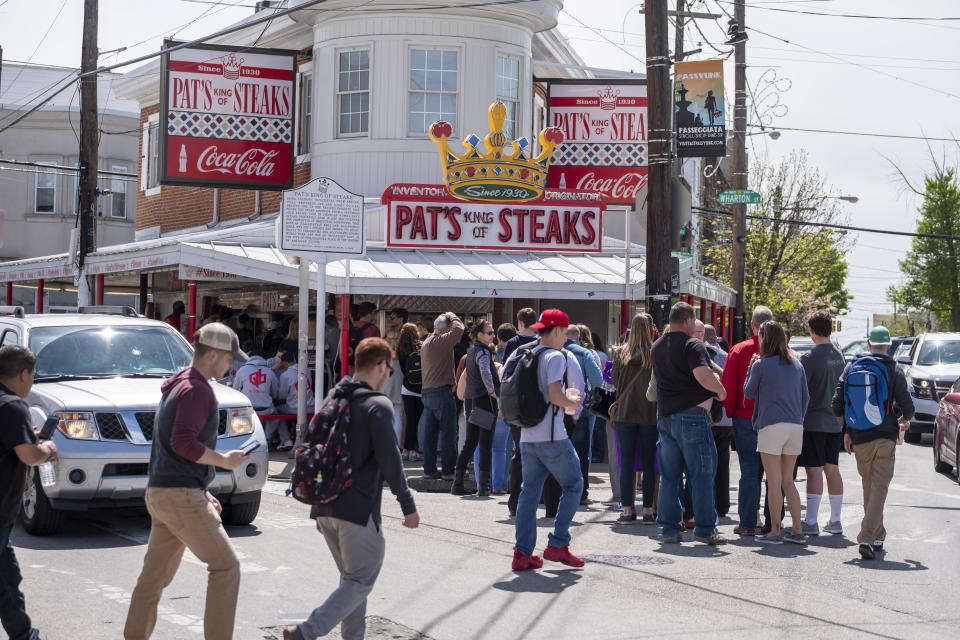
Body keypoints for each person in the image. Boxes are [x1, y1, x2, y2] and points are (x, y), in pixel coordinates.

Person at [283, 338, 419, 640]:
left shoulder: (335, 397)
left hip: (326, 506)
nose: (388, 377)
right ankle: (307, 631)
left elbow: (318, 448)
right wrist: (407, 505)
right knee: (359, 580)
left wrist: (319, 510)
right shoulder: (377, 404)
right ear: (382, 366)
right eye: (389, 371)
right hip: (357, 509)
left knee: (352, 582)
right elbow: (391, 460)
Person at [125, 323, 250, 640]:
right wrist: (222, 461)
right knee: (226, 567)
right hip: (179, 496)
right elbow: (182, 443)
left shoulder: (181, 381)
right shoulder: (196, 389)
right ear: (212, 354)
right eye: (229, 358)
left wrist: (201, 488)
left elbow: (172, 445)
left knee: (153, 578)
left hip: (164, 492)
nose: (231, 364)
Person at [507, 309, 586, 570]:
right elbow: (554, 395)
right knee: (574, 484)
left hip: (526, 436)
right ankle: (558, 543)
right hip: (552, 436)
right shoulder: (555, 357)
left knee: (529, 493)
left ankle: (522, 553)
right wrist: (572, 401)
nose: (564, 338)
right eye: (564, 333)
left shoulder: (522, 354)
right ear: (556, 331)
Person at [831, 326, 914, 560]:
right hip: (885, 435)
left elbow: (836, 403)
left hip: (859, 437)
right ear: (888, 345)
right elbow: (909, 406)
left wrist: (847, 430)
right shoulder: (893, 368)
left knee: (870, 486)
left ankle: (878, 534)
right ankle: (867, 538)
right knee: (879, 487)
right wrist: (904, 420)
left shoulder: (851, 366)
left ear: (868, 343)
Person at [650, 302, 727, 545]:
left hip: (665, 418)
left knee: (670, 477)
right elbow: (703, 375)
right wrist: (721, 392)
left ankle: (669, 529)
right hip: (692, 418)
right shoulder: (692, 344)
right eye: (693, 321)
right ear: (687, 321)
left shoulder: (657, 346)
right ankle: (705, 529)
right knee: (701, 475)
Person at [0, 346, 56, 640]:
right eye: (33, 375)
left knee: (7, 580)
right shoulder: (12, 405)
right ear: (23, 373)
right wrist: (46, 449)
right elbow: (30, 457)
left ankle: (23, 635)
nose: (32, 382)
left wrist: (25, 436)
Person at [743, 321, 810, 545]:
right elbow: (806, 398)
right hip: (795, 426)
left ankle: (775, 531)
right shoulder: (797, 364)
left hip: (771, 426)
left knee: (773, 482)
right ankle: (798, 530)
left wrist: (750, 368)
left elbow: (749, 393)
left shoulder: (761, 364)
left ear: (764, 338)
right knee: (788, 481)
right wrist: (797, 419)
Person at [721, 305, 773, 536]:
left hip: (745, 418)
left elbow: (728, 384)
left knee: (750, 472)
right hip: (774, 420)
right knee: (774, 474)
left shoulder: (739, 350)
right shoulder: (784, 353)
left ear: (752, 325)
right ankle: (773, 523)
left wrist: (731, 410)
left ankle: (748, 523)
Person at [798, 310, 847, 536]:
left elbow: (801, 391)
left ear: (811, 330)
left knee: (814, 471)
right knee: (832, 469)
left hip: (814, 420)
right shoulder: (840, 355)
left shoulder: (808, 358)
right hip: (836, 421)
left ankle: (811, 521)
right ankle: (835, 520)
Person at [611, 313, 658, 524]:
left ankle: (628, 510)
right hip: (650, 414)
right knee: (649, 464)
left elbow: (615, 383)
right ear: (650, 329)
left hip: (625, 414)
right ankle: (648, 510)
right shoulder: (655, 353)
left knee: (627, 464)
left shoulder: (620, 353)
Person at [452, 321, 500, 496]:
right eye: (490, 332)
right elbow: (486, 372)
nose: (493, 335)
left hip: (471, 401)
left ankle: (457, 484)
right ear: (480, 335)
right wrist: (493, 391)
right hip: (484, 401)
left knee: (470, 442)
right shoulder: (483, 351)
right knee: (485, 444)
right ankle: (484, 487)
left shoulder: (471, 350)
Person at [503, 308, 540, 516]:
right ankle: (542, 497)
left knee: (519, 452)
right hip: (538, 405)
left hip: (517, 405)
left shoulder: (513, 344)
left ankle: (515, 500)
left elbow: (506, 375)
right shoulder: (542, 343)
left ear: (520, 322)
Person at [419, 312, 464, 481]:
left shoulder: (427, 341)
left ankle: (429, 469)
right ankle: (448, 470)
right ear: (446, 329)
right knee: (449, 433)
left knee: (430, 434)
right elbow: (460, 329)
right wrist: (452, 315)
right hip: (441, 392)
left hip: (428, 391)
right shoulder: (442, 341)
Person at [563, 325, 603, 505]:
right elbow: (597, 380)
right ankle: (581, 493)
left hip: (557, 405)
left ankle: (556, 489)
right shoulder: (584, 353)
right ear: (578, 337)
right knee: (582, 450)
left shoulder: (555, 351)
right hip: (581, 405)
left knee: (559, 448)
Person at [233, 346, 280, 440]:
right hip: (266, 410)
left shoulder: (242, 370)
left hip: (247, 410)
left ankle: (247, 439)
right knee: (276, 416)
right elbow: (275, 394)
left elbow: (235, 391)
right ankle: (267, 438)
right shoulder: (269, 371)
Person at [276, 347, 315, 451]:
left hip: (295, 408)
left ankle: (286, 440)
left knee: (276, 411)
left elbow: (281, 396)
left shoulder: (285, 375)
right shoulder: (306, 369)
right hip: (311, 406)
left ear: (284, 363)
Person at [396, 323, 424, 461]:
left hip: (407, 388)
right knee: (416, 420)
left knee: (410, 419)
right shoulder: (421, 346)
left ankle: (406, 450)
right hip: (420, 388)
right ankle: (412, 450)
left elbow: (403, 370)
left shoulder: (400, 349)